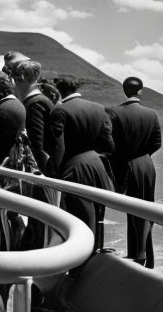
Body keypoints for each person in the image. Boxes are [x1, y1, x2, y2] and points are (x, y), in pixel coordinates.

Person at [46, 76, 114, 242]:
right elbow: (108, 143)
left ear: (59, 90)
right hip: (97, 165)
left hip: (74, 168)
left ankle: (81, 258)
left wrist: (52, 173)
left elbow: (58, 147)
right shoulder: (99, 108)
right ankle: (97, 250)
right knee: (98, 213)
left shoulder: (60, 111)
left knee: (79, 216)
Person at [106, 76, 162, 267]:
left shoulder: (113, 112)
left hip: (125, 164)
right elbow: (157, 143)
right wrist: (143, 155)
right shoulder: (151, 114)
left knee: (132, 210)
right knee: (146, 209)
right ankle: (144, 255)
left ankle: (137, 255)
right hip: (146, 164)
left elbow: (110, 143)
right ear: (141, 91)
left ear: (124, 90)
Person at [11, 59, 53, 173]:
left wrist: (42, 175)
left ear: (21, 78)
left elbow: (38, 146)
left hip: (42, 172)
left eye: (15, 79)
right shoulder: (38, 100)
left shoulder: (35, 103)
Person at [0, 74, 26, 179]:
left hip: (4, 160)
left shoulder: (5, 108)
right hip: (16, 156)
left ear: (4, 92)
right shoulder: (17, 104)